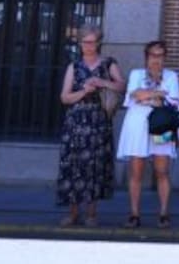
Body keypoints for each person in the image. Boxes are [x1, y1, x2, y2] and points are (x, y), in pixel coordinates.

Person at [56, 25, 125, 227]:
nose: (88, 46)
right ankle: (73, 213)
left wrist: (102, 82)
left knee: (95, 168)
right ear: (79, 43)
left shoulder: (108, 64)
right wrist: (84, 92)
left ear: (98, 42)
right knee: (74, 168)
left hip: (99, 124)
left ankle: (92, 214)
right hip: (76, 126)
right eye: (85, 42)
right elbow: (65, 97)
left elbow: (122, 85)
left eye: (92, 41)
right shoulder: (73, 67)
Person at [117, 40, 179, 229]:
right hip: (137, 127)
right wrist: (157, 94)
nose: (157, 59)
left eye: (161, 55)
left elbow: (172, 101)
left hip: (162, 126)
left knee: (162, 171)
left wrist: (147, 95)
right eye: (153, 55)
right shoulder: (136, 74)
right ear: (147, 57)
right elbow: (134, 95)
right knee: (136, 171)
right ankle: (134, 214)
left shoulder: (171, 76)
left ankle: (163, 213)